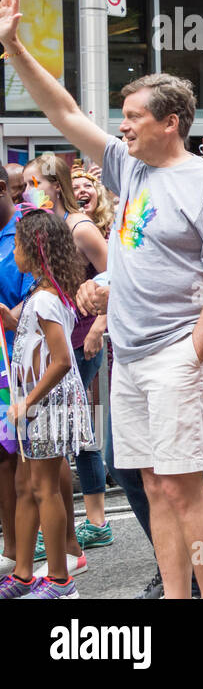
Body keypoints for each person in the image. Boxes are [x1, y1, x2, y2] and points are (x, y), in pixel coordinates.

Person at [0, 0, 203, 600]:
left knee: (185, 487)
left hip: (175, 355)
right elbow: (64, 113)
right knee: (154, 485)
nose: (121, 126)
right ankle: (175, 593)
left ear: (171, 122)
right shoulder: (129, 167)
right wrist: (14, 47)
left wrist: (195, 354)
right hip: (130, 357)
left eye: (133, 116)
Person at [0, 212, 96, 598]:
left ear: (36, 251)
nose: (15, 254)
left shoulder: (43, 299)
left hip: (46, 407)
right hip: (36, 405)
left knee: (44, 490)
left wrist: (27, 402)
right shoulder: (42, 294)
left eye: (20, 247)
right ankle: (23, 573)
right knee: (26, 487)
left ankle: (59, 579)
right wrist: (9, 319)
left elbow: (60, 361)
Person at [24, 153, 110, 568]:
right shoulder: (47, 229)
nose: (27, 191)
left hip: (83, 340)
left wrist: (102, 324)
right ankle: (67, 537)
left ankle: (94, 523)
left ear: (53, 184)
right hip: (63, 334)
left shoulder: (80, 227)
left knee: (81, 430)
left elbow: (117, 271)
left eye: (32, 183)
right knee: (62, 437)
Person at [0, 167, 35, 579]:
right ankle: (12, 549)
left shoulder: (27, 232)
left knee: (24, 462)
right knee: (2, 460)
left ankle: (58, 553)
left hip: (23, 367)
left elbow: (45, 290)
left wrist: (12, 317)